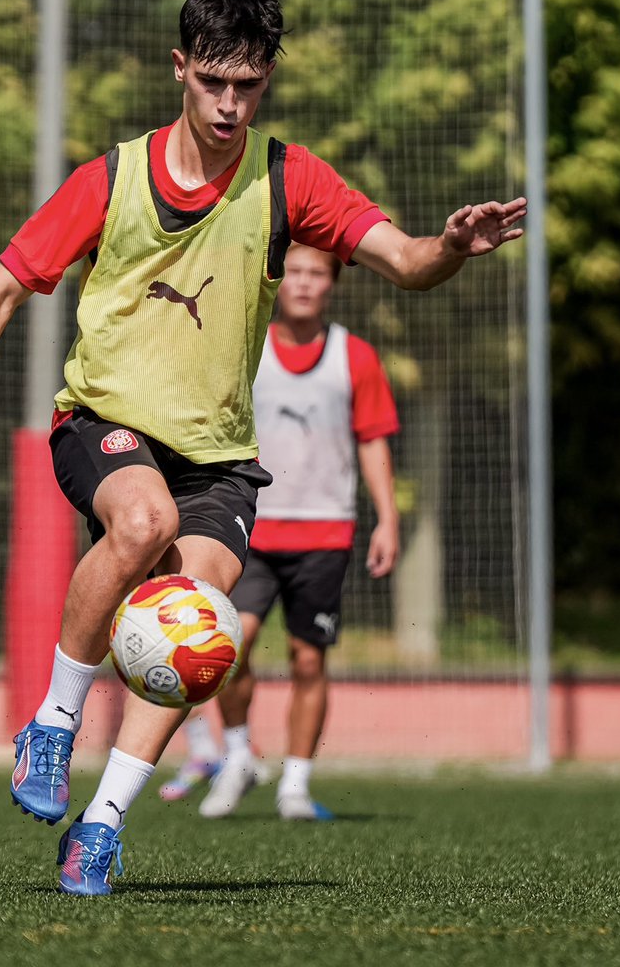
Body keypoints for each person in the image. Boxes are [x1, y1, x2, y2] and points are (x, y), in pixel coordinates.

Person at [0, 0, 526, 897]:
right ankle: (55, 722)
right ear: (180, 68)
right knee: (141, 522)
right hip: (102, 421)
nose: (230, 105)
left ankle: (100, 825)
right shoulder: (111, 179)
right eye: (214, 82)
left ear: (267, 81)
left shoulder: (291, 178)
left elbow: (405, 261)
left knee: (198, 633)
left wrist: (452, 246)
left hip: (219, 456)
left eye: (249, 86)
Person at [186, 242, 400, 821]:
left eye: (317, 274)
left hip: (325, 533)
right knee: (230, 646)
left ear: (332, 284)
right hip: (250, 529)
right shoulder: (245, 349)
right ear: (278, 281)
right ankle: (238, 758)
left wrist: (388, 519)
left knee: (309, 660)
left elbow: (373, 440)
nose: (304, 283)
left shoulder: (354, 356)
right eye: (295, 272)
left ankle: (296, 785)